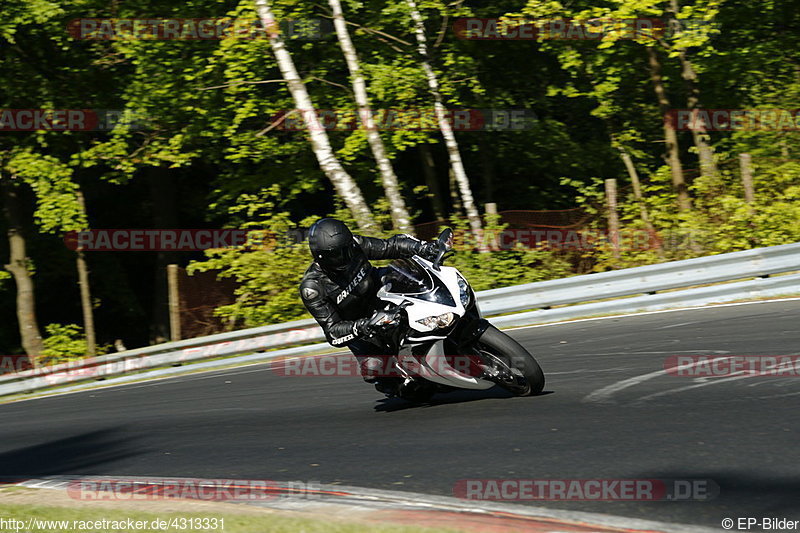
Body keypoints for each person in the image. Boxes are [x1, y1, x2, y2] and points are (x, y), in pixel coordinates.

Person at [299, 218, 439, 395]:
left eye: (346, 249)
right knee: (375, 367)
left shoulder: (355, 245)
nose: (346, 256)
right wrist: (362, 326)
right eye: (337, 254)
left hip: (381, 292)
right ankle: (398, 382)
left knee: (412, 277)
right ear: (321, 256)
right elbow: (333, 331)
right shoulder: (313, 288)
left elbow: (390, 246)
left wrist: (424, 248)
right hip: (360, 324)